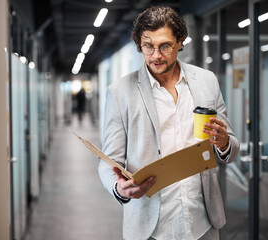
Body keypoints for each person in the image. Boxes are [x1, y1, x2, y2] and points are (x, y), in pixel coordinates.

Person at [98, 6, 239, 240]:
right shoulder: (120, 92)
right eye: (148, 46)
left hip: (202, 222)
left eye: (165, 46)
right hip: (151, 227)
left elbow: (230, 148)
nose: (156, 55)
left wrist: (224, 143)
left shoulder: (206, 81)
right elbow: (107, 161)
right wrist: (118, 187)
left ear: (180, 42)